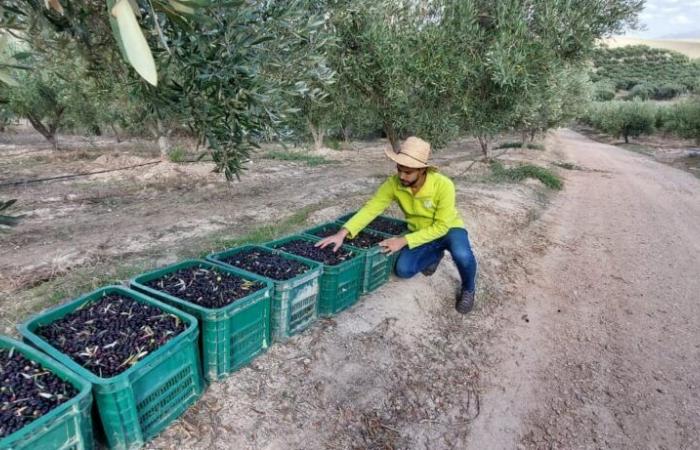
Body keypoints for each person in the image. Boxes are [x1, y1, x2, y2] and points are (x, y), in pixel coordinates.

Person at [315, 136, 478, 314]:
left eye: (408, 172)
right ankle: (435, 254)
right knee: (403, 270)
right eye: (399, 169)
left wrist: (402, 241)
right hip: (419, 231)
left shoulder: (444, 185)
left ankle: (469, 289)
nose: (401, 175)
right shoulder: (394, 184)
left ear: (422, 170)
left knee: (462, 255)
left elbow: (441, 227)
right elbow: (372, 208)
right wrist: (342, 233)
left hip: (449, 229)